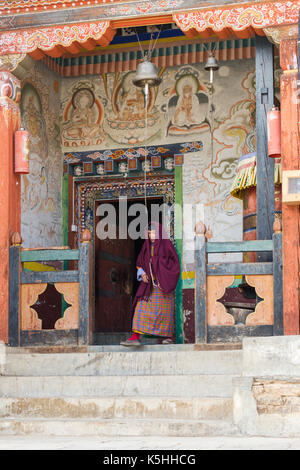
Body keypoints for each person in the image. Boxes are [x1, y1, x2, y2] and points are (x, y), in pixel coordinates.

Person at [120, 221, 180, 347]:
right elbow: (139, 263)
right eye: (149, 234)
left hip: (162, 286)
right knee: (140, 309)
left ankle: (168, 337)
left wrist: (161, 268)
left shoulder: (166, 245)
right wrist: (142, 274)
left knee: (164, 313)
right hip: (148, 288)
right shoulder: (146, 247)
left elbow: (175, 264)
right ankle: (135, 337)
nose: (151, 236)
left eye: (153, 233)